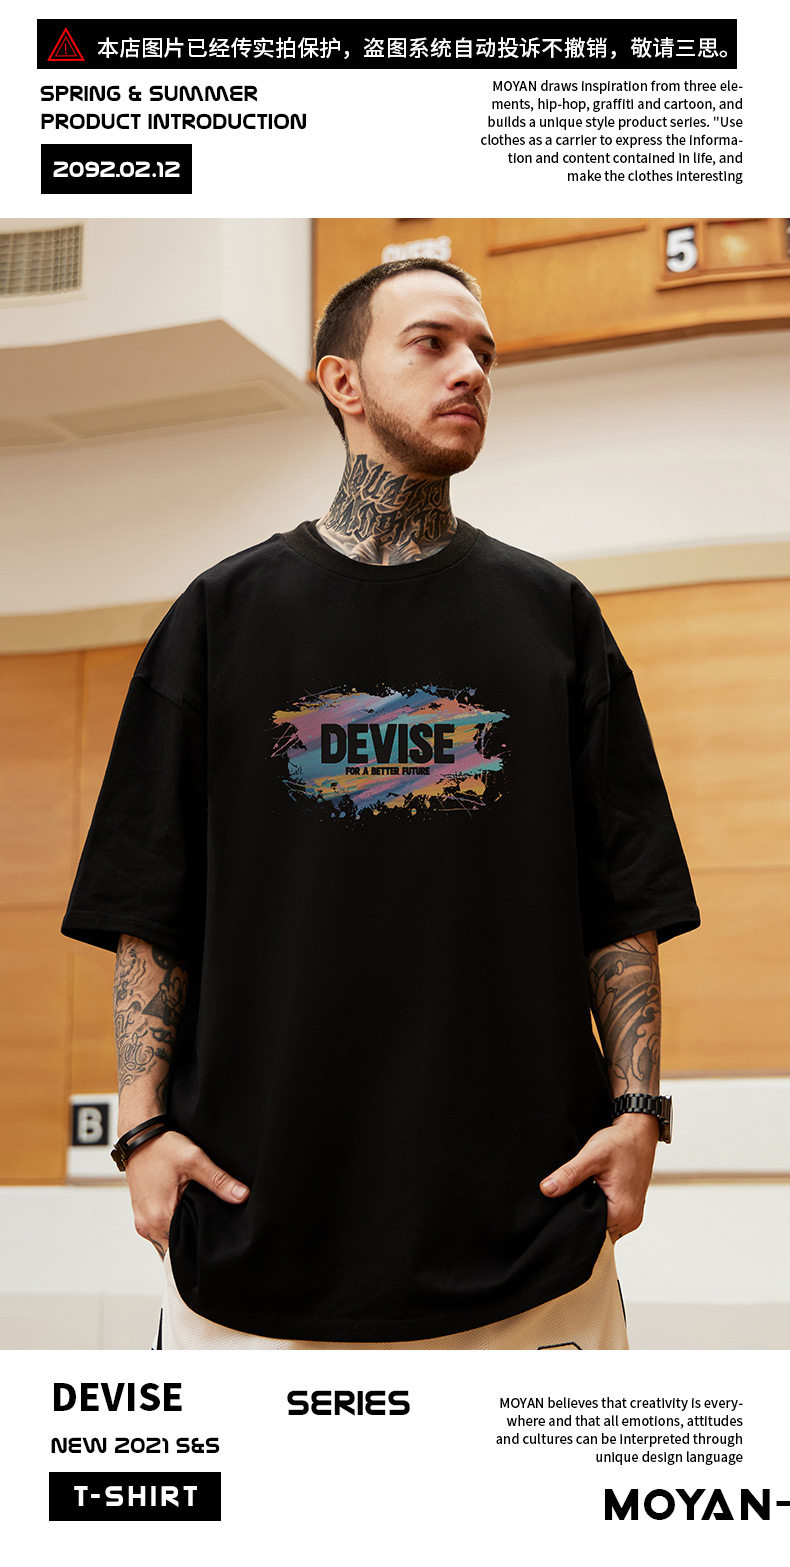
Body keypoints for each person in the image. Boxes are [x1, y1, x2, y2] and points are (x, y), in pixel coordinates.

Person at [62, 258, 699, 1351]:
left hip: (530, 1235)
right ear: (342, 382)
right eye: (433, 343)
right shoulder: (219, 618)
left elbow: (624, 900)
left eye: (483, 353)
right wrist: (141, 1127)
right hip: (255, 1234)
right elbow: (148, 904)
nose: (471, 371)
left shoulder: (553, 617)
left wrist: (639, 1112)